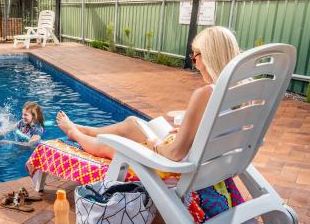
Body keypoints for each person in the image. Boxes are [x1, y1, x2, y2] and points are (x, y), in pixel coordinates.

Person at [56, 26, 241, 162]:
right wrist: (191, 132)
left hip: (173, 164)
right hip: (202, 155)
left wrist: (153, 143)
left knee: (111, 144)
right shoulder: (239, 92)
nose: (194, 62)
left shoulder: (206, 94)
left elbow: (174, 154)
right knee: (131, 123)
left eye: (195, 56)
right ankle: (87, 130)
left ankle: (76, 134)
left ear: (209, 56)